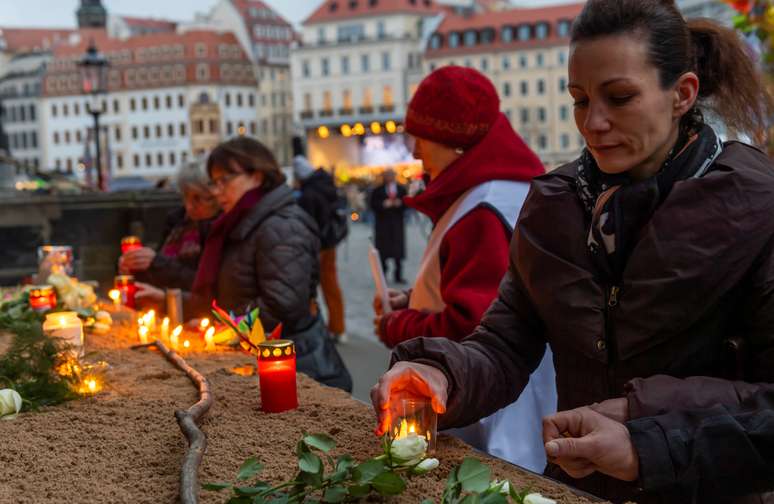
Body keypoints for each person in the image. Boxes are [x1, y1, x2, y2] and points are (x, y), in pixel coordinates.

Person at [371, 1, 774, 502]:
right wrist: (442, 374)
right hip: (576, 487)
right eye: (580, 100)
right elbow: (503, 345)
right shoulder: (554, 203)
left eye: (619, 97)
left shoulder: (758, 206)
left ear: (682, 95)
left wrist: (642, 439)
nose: (593, 123)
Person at [372, 66, 555, 472]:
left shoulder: (484, 207)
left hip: (498, 417)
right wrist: (415, 298)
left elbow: (473, 326)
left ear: (453, 141)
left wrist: (396, 324)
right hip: (508, 398)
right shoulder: (500, 190)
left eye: (420, 137)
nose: (414, 151)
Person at [138, 137, 352, 392]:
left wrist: (226, 329)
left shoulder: (282, 226)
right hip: (260, 362)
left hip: (298, 370)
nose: (217, 191)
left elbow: (282, 306)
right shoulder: (240, 223)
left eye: (224, 180)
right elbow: (224, 295)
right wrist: (168, 301)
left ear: (257, 175)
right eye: (214, 182)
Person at [120, 162, 219, 290]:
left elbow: (206, 285)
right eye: (185, 197)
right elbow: (158, 274)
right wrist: (134, 268)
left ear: (216, 196)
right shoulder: (177, 221)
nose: (189, 206)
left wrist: (157, 262)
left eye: (198, 199)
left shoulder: (221, 228)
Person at [292, 137, 349, 344]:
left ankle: (320, 329)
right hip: (330, 243)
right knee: (332, 285)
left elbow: (308, 223)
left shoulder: (308, 194)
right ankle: (338, 326)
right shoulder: (326, 185)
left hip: (317, 246)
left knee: (313, 287)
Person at [369, 169, 407, 284]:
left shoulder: (401, 189)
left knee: (398, 251)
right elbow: (372, 204)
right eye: (387, 175)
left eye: (391, 175)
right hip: (382, 225)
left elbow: (407, 203)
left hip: (397, 224)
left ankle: (398, 275)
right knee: (382, 251)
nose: (390, 177)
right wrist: (383, 204)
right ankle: (383, 275)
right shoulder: (377, 190)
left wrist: (400, 204)